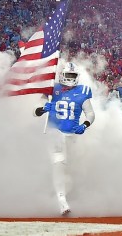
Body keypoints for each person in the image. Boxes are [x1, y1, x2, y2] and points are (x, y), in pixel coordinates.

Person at [34, 62, 96, 215]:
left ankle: (63, 193)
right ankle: (62, 201)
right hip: (54, 133)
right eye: (68, 75)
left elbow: (90, 114)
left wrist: (85, 124)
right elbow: (35, 112)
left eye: (73, 76)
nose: (70, 78)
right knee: (59, 163)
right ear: (62, 75)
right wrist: (43, 109)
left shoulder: (83, 91)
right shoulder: (51, 89)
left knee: (70, 167)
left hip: (72, 135)